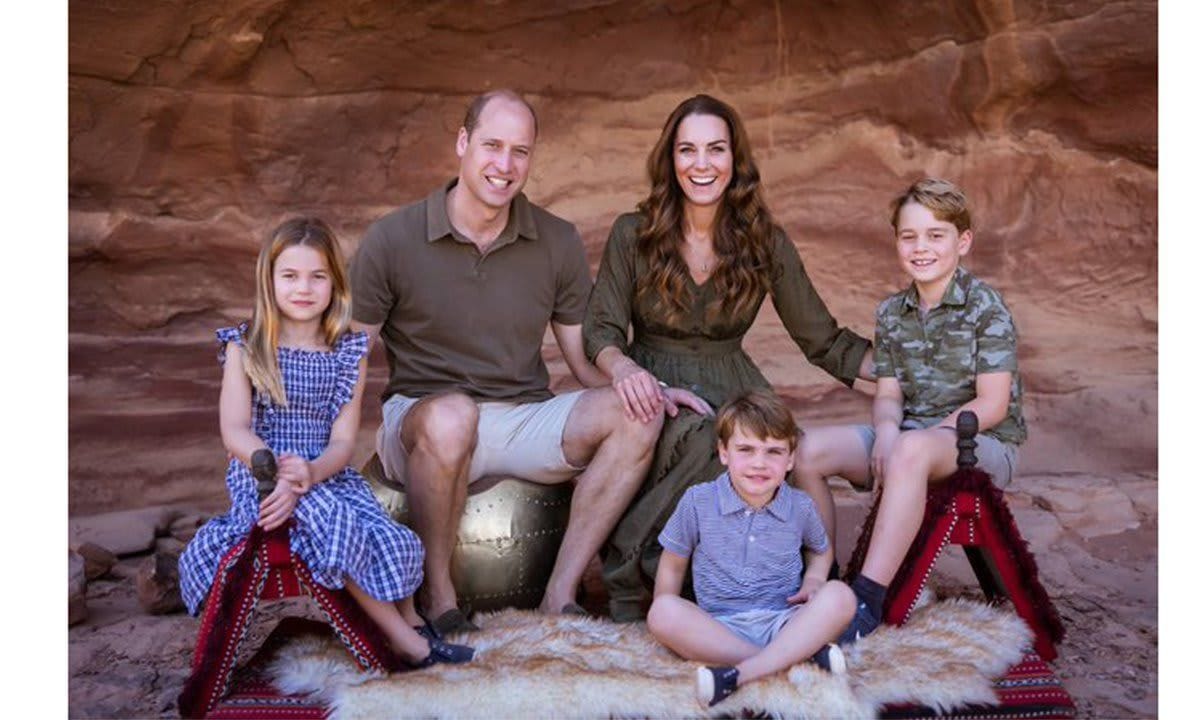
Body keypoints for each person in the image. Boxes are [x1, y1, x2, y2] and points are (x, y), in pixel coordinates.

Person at [349, 89, 663, 635]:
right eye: (492, 145)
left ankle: (560, 594)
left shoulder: (556, 240)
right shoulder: (392, 238)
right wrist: (326, 452)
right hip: (421, 423)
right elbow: (348, 361)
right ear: (463, 143)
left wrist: (634, 382)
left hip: (519, 418)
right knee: (453, 417)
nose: (505, 164)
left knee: (640, 414)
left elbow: (584, 359)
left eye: (521, 151)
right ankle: (439, 600)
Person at [583, 94, 874, 621]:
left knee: (767, 447)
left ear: (735, 160)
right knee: (708, 437)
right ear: (670, 160)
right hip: (656, 386)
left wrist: (906, 373)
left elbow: (822, 339)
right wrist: (625, 371)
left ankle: (783, 591)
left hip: (736, 381)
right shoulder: (633, 234)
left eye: (715, 150)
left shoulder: (764, 241)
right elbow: (600, 329)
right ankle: (631, 575)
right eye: (687, 150)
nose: (701, 164)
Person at [178, 218, 473, 669]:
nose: (304, 288)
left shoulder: (347, 352)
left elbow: (341, 441)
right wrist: (272, 467)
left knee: (389, 531)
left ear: (335, 283)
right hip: (261, 477)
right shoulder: (246, 348)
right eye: (290, 276)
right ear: (269, 280)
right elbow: (234, 429)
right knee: (327, 517)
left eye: (318, 276)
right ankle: (406, 644)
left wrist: (313, 472)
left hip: (326, 474)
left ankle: (412, 621)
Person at [794, 178, 1027, 643]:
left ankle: (868, 598)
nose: (921, 248)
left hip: (976, 445)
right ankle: (824, 576)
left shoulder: (986, 309)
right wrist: (885, 432)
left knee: (911, 450)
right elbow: (889, 395)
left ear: (963, 241)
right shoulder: (892, 313)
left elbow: (993, 404)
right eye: (909, 236)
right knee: (807, 451)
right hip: (908, 438)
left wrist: (912, 443)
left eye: (935, 235)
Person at [647, 390, 856, 708]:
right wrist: (667, 620)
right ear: (723, 453)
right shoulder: (698, 501)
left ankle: (739, 676)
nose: (759, 463)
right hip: (718, 628)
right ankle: (792, 665)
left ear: (790, 460)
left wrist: (814, 582)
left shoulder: (800, 506)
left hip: (784, 623)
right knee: (662, 612)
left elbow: (820, 549)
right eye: (746, 449)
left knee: (840, 596)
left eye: (773, 451)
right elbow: (674, 563)